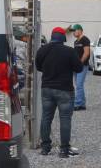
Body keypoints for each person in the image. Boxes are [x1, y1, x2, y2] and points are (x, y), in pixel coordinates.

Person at [35, 27, 83, 157]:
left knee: (46, 118)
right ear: (63, 38)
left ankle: (45, 148)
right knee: (65, 119)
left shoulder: (42, 50)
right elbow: (79, 68)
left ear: (52, 36)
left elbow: (38, 67)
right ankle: (64, 150)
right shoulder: (69, 51)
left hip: (47, 89)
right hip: (65, 90)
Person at [70, 23, 91, 110]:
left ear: (80, 30)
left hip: (82, 66)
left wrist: (80, 63)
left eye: (74, 31)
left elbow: (86, 53)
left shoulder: (85, 40)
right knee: (78, 85)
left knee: (79, 85)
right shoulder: (76, 42)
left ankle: (78, 103)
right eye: (72, 31)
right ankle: (82, 103)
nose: (73, 33)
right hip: (76, 66)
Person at [12, 26, 31, 91]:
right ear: (20, 37)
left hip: (15, 68)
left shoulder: (12, 43)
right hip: (20, 69)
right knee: (20, 84)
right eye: (26, 36)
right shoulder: (23, 46)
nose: (28, 38)